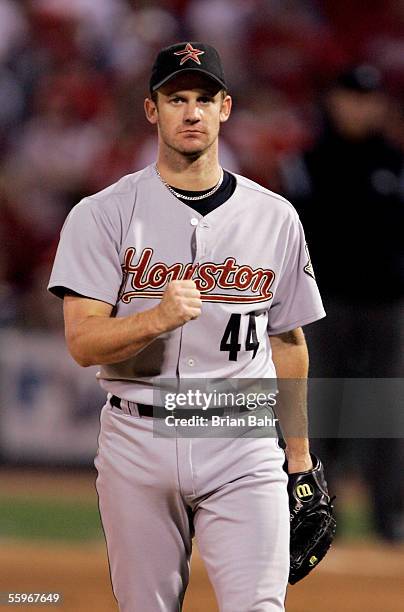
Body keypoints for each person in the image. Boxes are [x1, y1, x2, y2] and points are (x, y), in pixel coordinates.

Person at [48, 42, 326, 611]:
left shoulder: (274, 216)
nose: (192, 112)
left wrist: (298, 457)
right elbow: (81, 341)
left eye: (204, 98)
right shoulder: (102, 214)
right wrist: (155, 318)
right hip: (137, 439)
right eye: (176, 98)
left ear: (226, 107)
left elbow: (289, 342)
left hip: (242, 443)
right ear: (152, 110)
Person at [281, 64, 404, 541]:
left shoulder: (395, 163)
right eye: (351, 96)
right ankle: (310, 514)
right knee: (315, 413)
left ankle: (389, 519)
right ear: (334, 100)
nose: (359, 107)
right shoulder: (308, 163)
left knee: (386, 416)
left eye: (368, 98)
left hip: (386, 306)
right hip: (321, 307)